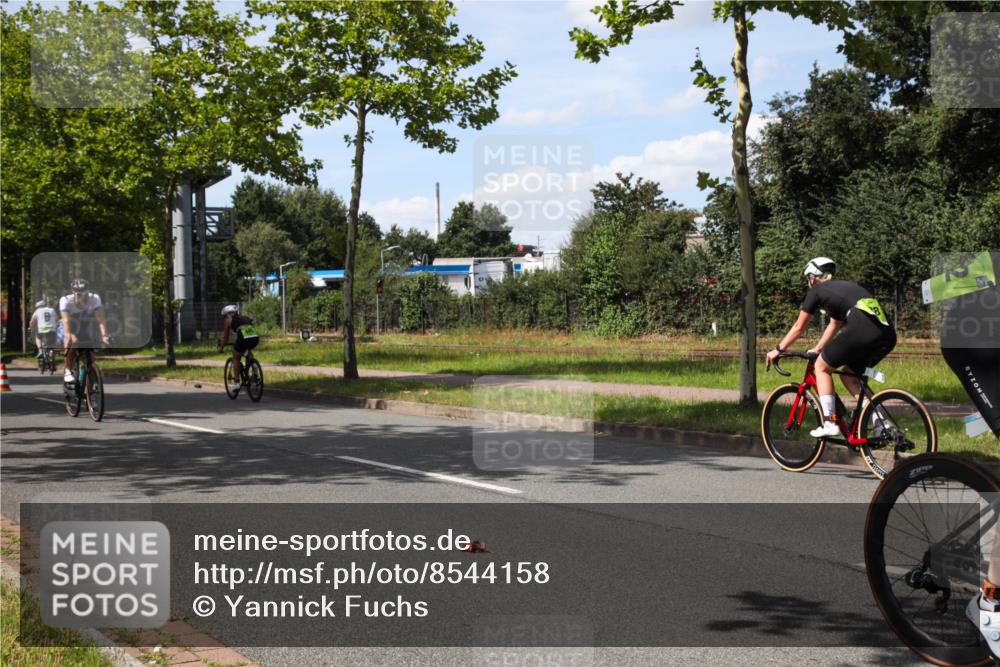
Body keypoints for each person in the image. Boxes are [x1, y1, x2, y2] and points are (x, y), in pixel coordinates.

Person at [765, 257, 897, 439]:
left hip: (862, 327)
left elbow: (799, 327)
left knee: (821, 367)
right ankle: (880, 422)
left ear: (812, 277)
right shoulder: (841, 289)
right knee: (848, 376)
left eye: (808, 279)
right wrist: (818, 348)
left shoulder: (817, 290)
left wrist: (778, 349)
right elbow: (834, 324)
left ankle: (829, 422)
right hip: (887, 334)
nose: (808, 283)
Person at [60, 279, 110, 384]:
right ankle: (68, 370)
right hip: (69, 326)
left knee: (90, 357)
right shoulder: (65, 300)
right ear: (72, 292)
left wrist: (104, 336)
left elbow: (101, 319)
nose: (82, 296)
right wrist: (69, 338)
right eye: (78, 294)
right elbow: (66, 322)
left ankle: (90, 391)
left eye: (84, 293)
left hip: (84, 326)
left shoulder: (95, 298)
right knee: (73, 343)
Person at [217, 304, 258, 389]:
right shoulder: (245, 317)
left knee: (235, 357)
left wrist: (221, 347)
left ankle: (237, 383)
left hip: (243, 338)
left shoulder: (228, 320)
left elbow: (226, 337)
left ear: (227, 314)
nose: (224, 318)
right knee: (247, 351)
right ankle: (254, 366)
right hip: (255, 338)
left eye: (224, 316)